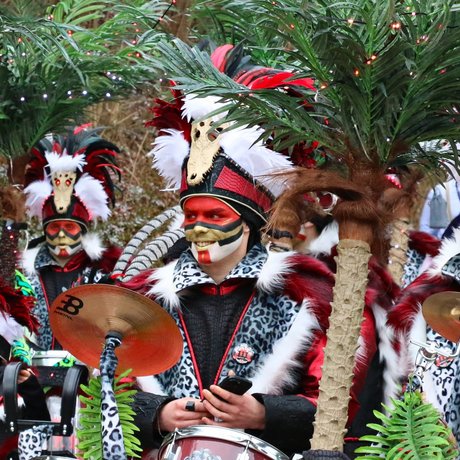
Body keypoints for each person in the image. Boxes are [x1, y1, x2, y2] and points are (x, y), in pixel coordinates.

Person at [21, 126, 122, 351]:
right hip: (34, 380)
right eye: (55, 227)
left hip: (89, 379)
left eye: (69, 227)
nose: (62, 234)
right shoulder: (25, 275)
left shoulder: (106, 271)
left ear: (82, 229)